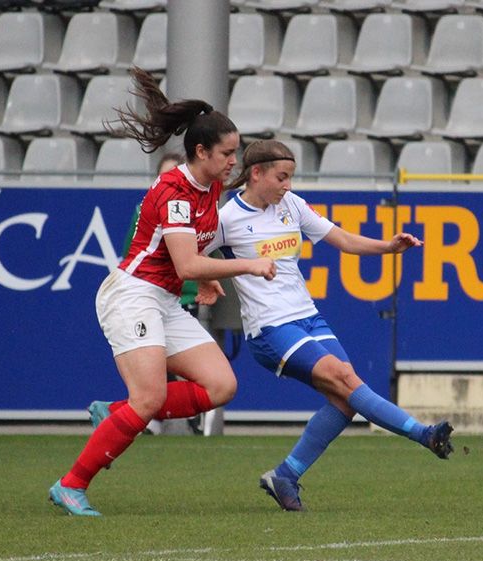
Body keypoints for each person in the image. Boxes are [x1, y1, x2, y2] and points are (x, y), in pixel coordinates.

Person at [48, 68, 276, 517]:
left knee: (220, 385)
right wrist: (245, 265)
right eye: (228, 153)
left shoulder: (208, 186)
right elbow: (187, 261)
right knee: (149, 399)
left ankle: (114, 412)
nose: (235, 161)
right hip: (132, 294)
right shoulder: (174, 191)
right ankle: (71, 484)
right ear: (201, 151)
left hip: (163, 298)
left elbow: (191, 252)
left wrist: (209, 277)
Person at [198, 139, 454, 512]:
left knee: (344, 398)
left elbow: (342, 238)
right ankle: (424, 434)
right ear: (256, 174)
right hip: (270, 329)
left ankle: (286, 475)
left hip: (307, 316)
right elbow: (190, 256)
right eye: (281, 177)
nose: (288, 185)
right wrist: (205, 279)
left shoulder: (293, 205)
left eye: (291, 178)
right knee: (348, 381)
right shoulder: (226, 219)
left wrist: (388, 247)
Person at [120, 152, 197, 436]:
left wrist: (203, 283)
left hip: (185, 295)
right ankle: (152, 417)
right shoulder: (145, 209)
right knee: (155, 360)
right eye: (165, 175)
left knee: (193, 364)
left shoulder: (194, 209)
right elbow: (132, 253)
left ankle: (194, 415)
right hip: (151, 295)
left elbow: (199, 253)